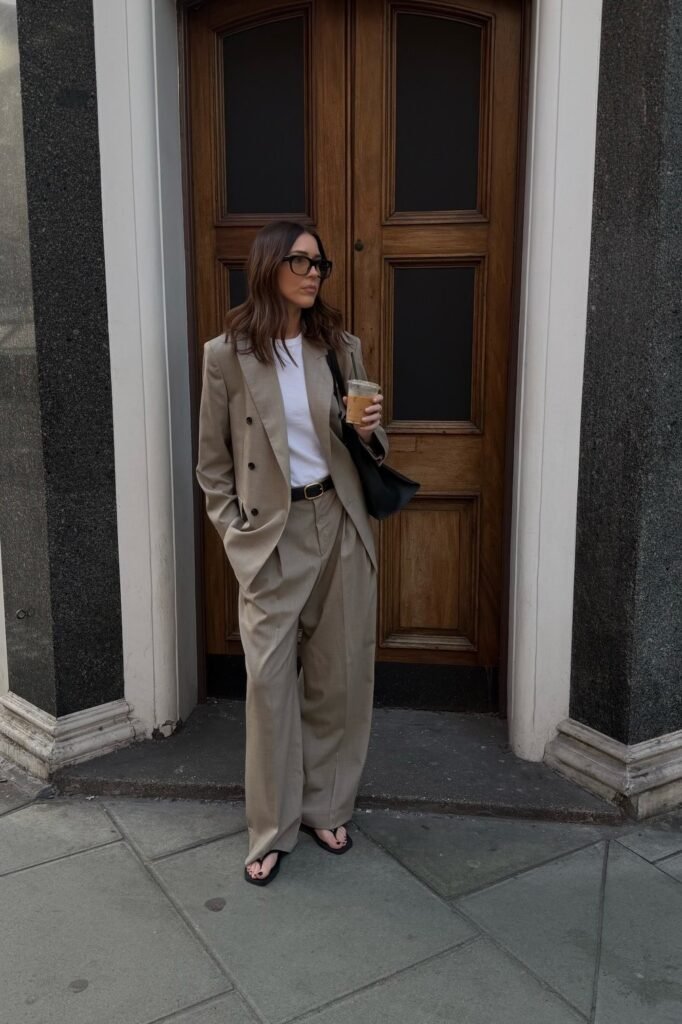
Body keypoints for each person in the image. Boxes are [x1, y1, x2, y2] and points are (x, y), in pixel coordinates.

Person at [196, 220, 387, 886]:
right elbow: (212, 465)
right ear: (269, 265)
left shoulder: (338, 346)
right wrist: (236, 536)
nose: (314, 272)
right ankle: (271, 827)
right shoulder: (226, 355)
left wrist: (367, 430)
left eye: (320, 263)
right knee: (270, 684)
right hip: (272, 535)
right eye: (301, 260)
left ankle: (326, 805)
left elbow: (368, 446)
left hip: (338, 519)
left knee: (338, 676)